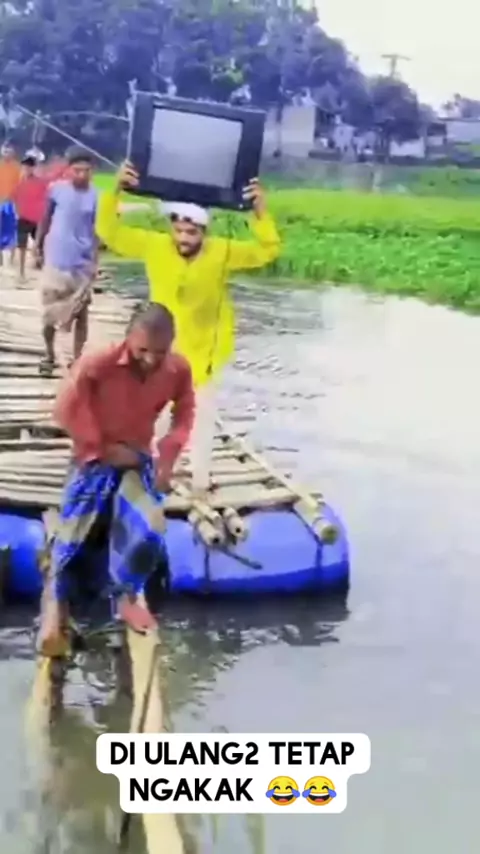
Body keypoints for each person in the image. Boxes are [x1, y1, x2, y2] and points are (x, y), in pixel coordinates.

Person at [96, 160, 281, 493]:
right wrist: (116, 189)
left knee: (201, 419)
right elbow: (109, 231)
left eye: (192, 232)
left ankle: (200, 483)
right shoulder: (154, 245)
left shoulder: (222, 252)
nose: (183, 238)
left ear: (204, 232)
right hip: (160, 351)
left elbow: (268, 250)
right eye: (179, 231)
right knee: (153, 415)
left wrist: (260, 212)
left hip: (205, 352)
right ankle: (152, 474)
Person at [38, 302, 195, 657]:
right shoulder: (98, 363)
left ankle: (126, 596)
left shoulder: (178, 369)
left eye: (160, 352)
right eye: (143, 350)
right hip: (93, 458)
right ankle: (56, 610)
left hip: (137, 460)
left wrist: (168, 456)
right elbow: (65, 409)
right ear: (128, 340)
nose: (151, 360)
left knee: (149, 528)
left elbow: (186, 413)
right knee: (72, 538)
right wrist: (101, 449)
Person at [34, 146, 99, 375]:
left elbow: (98, 231)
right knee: (49, 314)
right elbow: (45, 219)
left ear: (92, 171)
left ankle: (77, 359)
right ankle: (49, 354)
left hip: (82, 264)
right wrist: (38, 247)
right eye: (77, 170)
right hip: (56, 260)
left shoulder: (97, 196)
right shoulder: (56, 190)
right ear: (69, 170)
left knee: (81, 313)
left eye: (86, 171)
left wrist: (95, 262)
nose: (81, 175)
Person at [12, 155, 48, 282]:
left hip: (36, 218)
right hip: (23, 217)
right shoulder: (19, 182)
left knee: (41, 245)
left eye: (29, 167)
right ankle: (21, 272)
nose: (26, 169)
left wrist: (42, 216)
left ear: (33, 168)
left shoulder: (40, 183)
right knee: (21, 245)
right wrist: (17, 211)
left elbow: (45, 200)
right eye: (24, 167)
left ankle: (45, 271)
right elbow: (15, 198)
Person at [0, 142, 21, 265]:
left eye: (9, 151)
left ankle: (11, 259)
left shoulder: (17, 168)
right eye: (5, 151)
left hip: (12, 203)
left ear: (13, 153)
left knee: (12, 230)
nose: (7, 153)